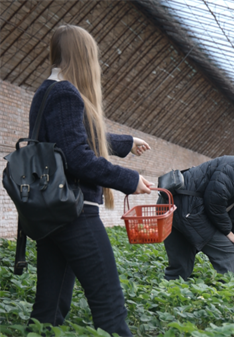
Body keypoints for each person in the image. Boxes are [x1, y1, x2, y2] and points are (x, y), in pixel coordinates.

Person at [27, 25, 152, 336]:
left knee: (50, 308)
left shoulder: (46, 91)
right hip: (75, 213)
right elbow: (78, 156)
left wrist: (125, 142)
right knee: (110, 306)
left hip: (51, 213)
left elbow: (71, 137)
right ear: (85, 57)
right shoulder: (67, 93)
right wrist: (129, 179)